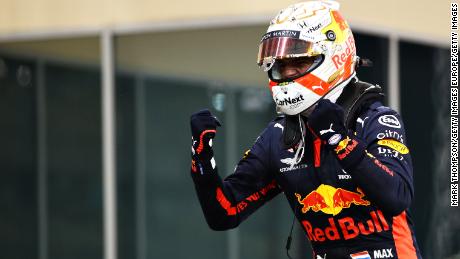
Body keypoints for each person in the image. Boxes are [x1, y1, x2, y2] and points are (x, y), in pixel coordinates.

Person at [189, 1, 422, 258]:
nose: (287, 73)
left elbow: (397, 196)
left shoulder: (377, 120)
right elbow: (224, 214)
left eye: (298, 62)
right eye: (280, 65)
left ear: (335, 56)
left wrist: (340, 140)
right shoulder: (278, 137)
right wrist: (202, 163)